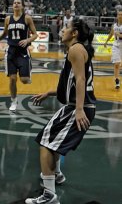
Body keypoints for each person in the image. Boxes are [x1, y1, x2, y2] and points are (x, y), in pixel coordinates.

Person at [25, 18, 96, 204]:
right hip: (74, 106)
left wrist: (79, 109)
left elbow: (80, 80)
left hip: (78, 107)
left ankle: (49, 195)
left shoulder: (75, 49)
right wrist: (49, 92)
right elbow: (73, 82)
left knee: (45, 144)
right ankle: (56, 175)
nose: (62, 30)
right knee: (51, 142)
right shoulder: (77, 50)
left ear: (75, 33)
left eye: (66, 28)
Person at [0, 0, 38, 112]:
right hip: (11, 51)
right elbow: (5, 33)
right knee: (12, 79)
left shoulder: (27, 18)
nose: (16, 4)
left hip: (22, 51)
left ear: (22, 6)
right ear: (12, 6)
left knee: (24, 80)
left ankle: (28, 73)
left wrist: (28, 40)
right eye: (14, 3)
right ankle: (13, 100)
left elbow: (35, 34)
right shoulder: (8, 19)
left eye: (18, 3)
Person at [104, 10, 122, 89]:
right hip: (116, 45)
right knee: (116, 64)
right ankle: (117, 80)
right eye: (119, 14)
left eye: (121, 14)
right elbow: (111, 33)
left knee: (119, 64)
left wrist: (120, 35)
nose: (120, 16)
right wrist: (106, 41)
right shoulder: (114, 25)